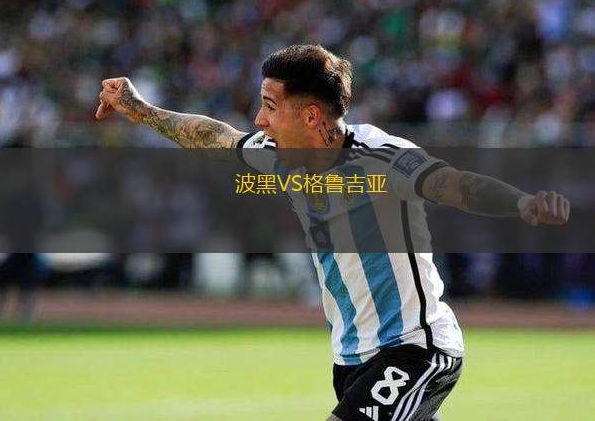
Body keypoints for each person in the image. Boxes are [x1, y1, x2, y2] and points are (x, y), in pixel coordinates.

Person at [96, 45, 569, 421]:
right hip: (351, 359)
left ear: (309, 117)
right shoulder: (279, 155)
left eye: (269, 106)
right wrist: (139, 109)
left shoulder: (382, 157)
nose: (259, 120)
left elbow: (454, 184)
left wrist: (522, 203)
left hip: (414, 349)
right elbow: (214, 137)